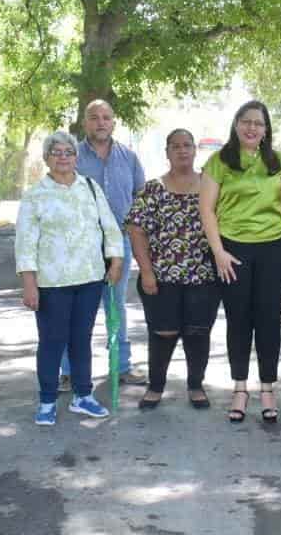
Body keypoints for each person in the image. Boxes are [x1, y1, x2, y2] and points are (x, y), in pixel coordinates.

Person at [200, 100, 281, 423]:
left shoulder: (279, 162)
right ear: (236, 124)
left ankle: (268, 388)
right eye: (246, 121)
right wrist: (218, 252)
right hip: (232, 251)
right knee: (239, 321)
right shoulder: (219, 162)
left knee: (269, 321)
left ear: (266, 129)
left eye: (258, 123)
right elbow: (206, 211)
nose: (252, 128)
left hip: (274, 250)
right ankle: (240, 388)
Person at [16, 131, 125, 426]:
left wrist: (116, 260)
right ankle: (48, 400)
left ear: (76, 157)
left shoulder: (90, 188)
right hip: (52, 283)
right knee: (52, 342)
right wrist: (29, 283)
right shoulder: (35, 195)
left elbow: (110, 227)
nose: (63, 157)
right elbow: (25, 242)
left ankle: (83, 396)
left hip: (89, 278)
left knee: (81, 339)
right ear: (47, 158)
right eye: (56, 152)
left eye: (68, 152)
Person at [125, 129, 221, 410]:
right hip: (161, 277)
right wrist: (146, 272)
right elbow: (136, 230)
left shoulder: (210, 186)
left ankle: (195, 386)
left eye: (187, 145)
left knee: (198, 332)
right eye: (175, 146)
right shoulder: (153, 189)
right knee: (162, 333)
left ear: (195, 150)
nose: (182, 151)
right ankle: (156, 386)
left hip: (204, 276)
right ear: (167, 152)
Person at [59, 100, 148, 391]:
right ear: (85, 123)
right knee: (74, 308)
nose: (100, 122)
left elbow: (141, 201)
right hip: (79, 243)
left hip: (118, 243)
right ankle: (69, 372)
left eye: (106, 117)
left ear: (113, 122)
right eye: (94, 118)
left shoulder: (129, 158)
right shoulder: (72, 156)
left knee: (115, 306)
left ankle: (121, 368)